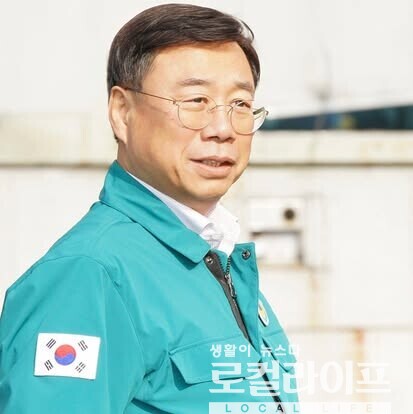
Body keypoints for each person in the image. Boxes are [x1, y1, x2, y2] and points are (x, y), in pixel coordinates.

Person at [0, 4, 298, 413]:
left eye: (241, 104)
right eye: (196, 100)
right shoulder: (89, 275)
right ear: (122, 113)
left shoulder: (216, 260)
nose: (223, 129)